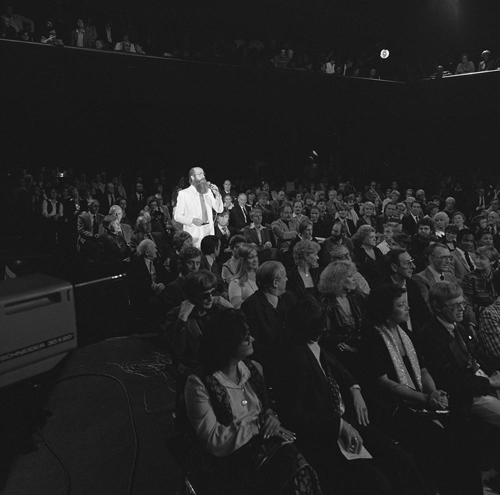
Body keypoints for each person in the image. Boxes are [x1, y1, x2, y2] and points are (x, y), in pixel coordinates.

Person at [273, 295, 427, 495]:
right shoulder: (295, 360)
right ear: (321, 327)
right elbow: (294, 414)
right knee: (379, 484)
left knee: (403, 460)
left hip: (349, 419)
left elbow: (339, 369)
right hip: (328, 434)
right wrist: (339, 424)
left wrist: (355, 390)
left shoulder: (314, 345)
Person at [182, 309, 322, 495]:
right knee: (288, 471)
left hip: (260, 441)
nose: (253, 339)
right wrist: (257, 426)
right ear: (229, 344)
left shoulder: (252, 368)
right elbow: (213, 440)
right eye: (246, 338)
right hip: (227, 457)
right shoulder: (199, 383)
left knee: (301, 467)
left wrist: (272, 418)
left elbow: (266, 407)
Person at [360, 285, 482, 495]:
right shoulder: (372, 338)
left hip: (421, 398)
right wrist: (424, 398)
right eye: (401, 305)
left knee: (466, 436)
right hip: (395, 406)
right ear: (385, 309)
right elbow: (385, 383)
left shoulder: (405, 333)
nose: (407, 308)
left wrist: (433, 392)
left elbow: (423, 370)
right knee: (444, 442)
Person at [421, 282, 500, 432]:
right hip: (468, 394)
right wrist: (488, 382)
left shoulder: (462, 325)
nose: (462, 308)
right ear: (438, 307)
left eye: (462, 303)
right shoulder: (429, 335)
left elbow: (481, 356)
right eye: (454, 305)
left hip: (485, 380)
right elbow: (448, 376)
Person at [164, 270, 232, 371]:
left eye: (212, 293)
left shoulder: (217, 309)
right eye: (205, 295)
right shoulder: (176, 314)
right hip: (194, 368)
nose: (210, 299)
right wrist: (182, 319)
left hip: (219, 363)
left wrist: (231, 308)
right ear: (192, 296)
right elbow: (177, 350)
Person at [241, 261, 295, 373]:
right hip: (271, 364)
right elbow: (255, 343)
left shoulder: (289, 298)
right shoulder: (251, 306)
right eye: (284, 277)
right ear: (275, 282)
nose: (287, 279)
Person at [318, 261, 366, 373]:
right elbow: (325, 334)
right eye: (350, 276)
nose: (354, 279)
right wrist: (342, 345)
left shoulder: (357, 297)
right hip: (339, 354)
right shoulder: (325, 304)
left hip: (361, 347)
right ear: (337, 280)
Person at [174, 167, 223, 248]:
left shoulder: (208, 192)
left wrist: (217, 194)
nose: (203, 176)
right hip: (194, 232)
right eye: (199, 174)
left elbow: (219, 209)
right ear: (192, 177)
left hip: (208, 230)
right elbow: (177, 216)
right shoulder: (184, 194)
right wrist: (192, 220)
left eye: (203, 174)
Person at [412, 243, 458, 310]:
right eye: (443, 257)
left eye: (449, 257)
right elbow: (427, 307)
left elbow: (461, 298)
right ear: (431, 259)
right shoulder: (419, 279)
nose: (448, 261)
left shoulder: (450, 276)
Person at [460, 245, 499, 318]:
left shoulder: (497, 276)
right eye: (477, 257)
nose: (477, 261)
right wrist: (483, 310)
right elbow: (466, 303)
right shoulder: (470, 278)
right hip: (479, 316)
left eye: (482, 258)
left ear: (492, 261)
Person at [228, 244, 259, 309]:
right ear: (243, 260)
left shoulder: (262, 276)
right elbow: (237, 307)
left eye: (256, 256)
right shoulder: (236, 283)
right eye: (251, 257)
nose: (255, 260)